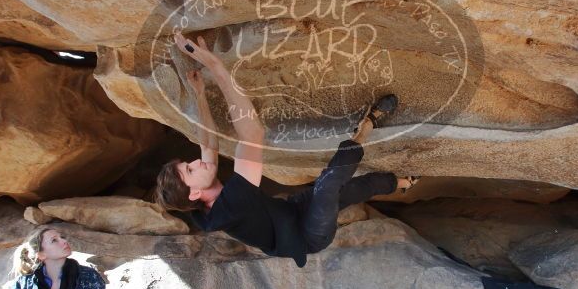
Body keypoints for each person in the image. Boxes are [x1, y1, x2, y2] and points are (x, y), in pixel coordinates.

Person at [155, 32, 419, 268]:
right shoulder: (230, 207)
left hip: (293, 210)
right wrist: (215, 66)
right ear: (195, 194)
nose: (196, 162)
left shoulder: (202, 203)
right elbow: (252, 134)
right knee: (328, 185)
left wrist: (200, 93)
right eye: (189, 169)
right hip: (307, 235)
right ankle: (366, 127)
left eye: (188, 163)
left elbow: (207, 144)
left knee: (349, 190)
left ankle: (399, 182)